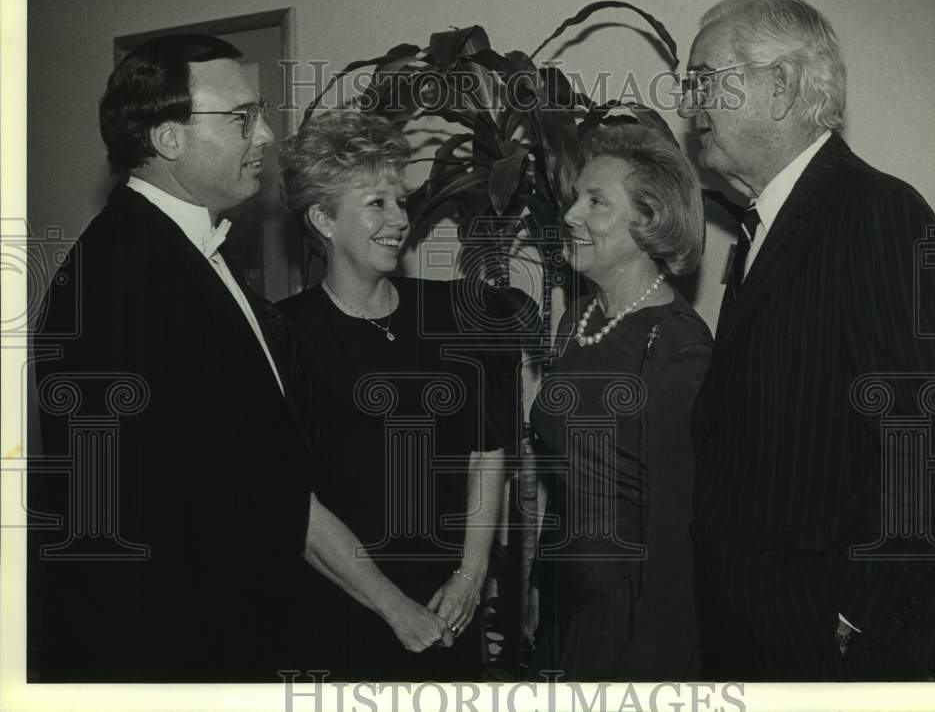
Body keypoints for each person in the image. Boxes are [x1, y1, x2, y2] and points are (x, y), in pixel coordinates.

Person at [28, 34, 450, 682]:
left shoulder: (182, 255)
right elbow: (120, 521)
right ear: (168, 138)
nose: (266, 135)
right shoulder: (122, 275)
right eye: (240, 117)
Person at [679, 0, 935, 681]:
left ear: (779, 87)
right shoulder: (763, 229)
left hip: (833, 655)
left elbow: (931, 447)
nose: (690, 108)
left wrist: (858, 617)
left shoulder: (875, 213)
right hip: (755, 641)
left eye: (703, 80)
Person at [277, 108, 516, 680]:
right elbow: (295, 505)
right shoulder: (285, 335)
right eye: (376, 203)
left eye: (400, 200)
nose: (399, 219)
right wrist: (394, 609)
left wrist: (470, 574)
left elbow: (487, 449)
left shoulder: (450, 314)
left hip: (448, 606)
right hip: (345, 612)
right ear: (323, 219)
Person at [528, 121, 712, 680]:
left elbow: (682, 540)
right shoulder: (574, 322)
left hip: (629, 616)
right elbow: (562, 479)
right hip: (565, 602)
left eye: (596, 202)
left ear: (647, 222)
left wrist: (650, 663)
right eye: (576, 196)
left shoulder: (679, 348)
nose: (569, 215)